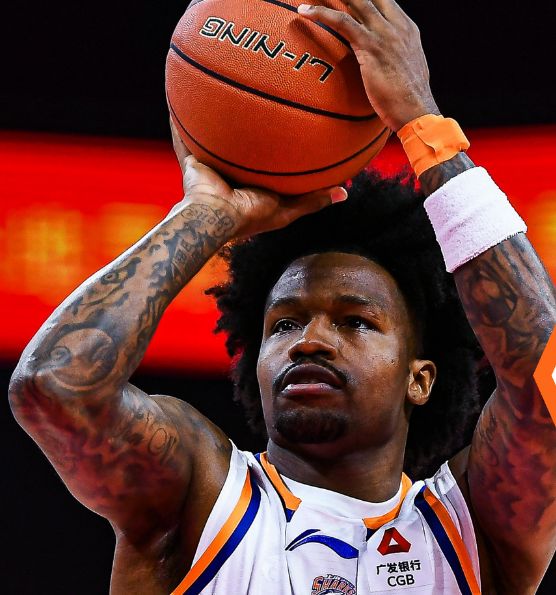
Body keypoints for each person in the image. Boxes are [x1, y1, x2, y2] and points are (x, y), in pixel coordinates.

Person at [9, 1, 555, 593]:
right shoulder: (199, 495)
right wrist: (204, 215)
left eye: (355, 321)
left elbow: (548, 382)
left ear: (419, 379)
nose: (309, 341)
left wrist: (426, 129)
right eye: (284, 324)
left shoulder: (474, 529)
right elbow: (54, 387)